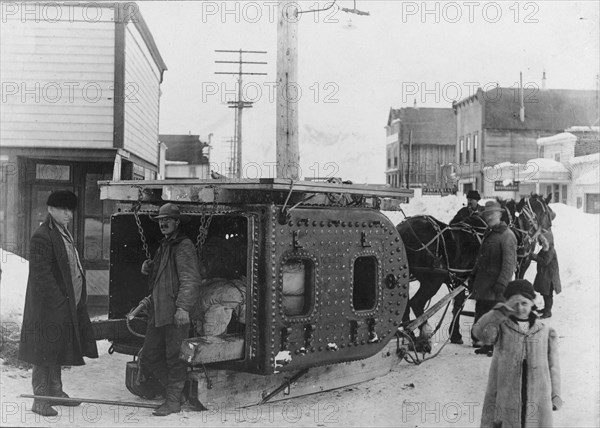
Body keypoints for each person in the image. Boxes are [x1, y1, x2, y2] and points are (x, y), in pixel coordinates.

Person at [19, 190, 98, 416]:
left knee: (57, 348)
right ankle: (40, 399)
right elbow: (41, 276)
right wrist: (60, 303)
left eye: (70, 210)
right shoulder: (42, 236)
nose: (69, 214)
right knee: (43, 352)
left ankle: (56, 391)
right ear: (51, 209)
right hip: (47, 309)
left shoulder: (63, 233)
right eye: (64, 209)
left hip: (65, 306)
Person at [138, 203, 201, 416]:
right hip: (159, 311)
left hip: (175, 313)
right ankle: (177, 395)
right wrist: (149, 267)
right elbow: (162, 273)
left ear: (177, 222)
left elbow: (190, 280)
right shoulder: (166, 245)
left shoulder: (183, 246)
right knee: (149, 355)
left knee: (175, 358)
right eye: (160, 220)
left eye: (167, 220)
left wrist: (183, 308)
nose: (163, 223)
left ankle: (173, 402)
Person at [473, 279, 562, 428]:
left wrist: (556, 394)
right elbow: (479, 333)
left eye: (524, 303)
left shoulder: (546, 331)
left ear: (532, 303)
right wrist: (498, 312)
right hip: (506, 397)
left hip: (538, 398)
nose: (520, 308)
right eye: (515, 304)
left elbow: (553, 365)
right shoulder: (501, 328)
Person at [469, 200, 517, 355]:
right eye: (487, 214)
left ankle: (497, 347)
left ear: (499, 214)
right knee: (484, 315)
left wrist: (502, 284)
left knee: (495, 317)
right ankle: (487, 344)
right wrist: (473, 276)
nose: (489, 217)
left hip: (495, 287)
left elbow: (509, 264)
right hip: (483, 285)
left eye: (492, 213)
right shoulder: (489, 233)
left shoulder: (507, 235)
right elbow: (480, 258)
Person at [530, 230, 561, 319]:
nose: (541, 243)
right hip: (544, 276)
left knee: (548, 295)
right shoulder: (545, 249)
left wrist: (533, 256)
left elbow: (545, 262)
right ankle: (546, 309)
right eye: (541, 241)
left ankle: (548, 312)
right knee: (545, 293)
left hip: (549, 277)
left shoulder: (551, 250)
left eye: (543, 241)